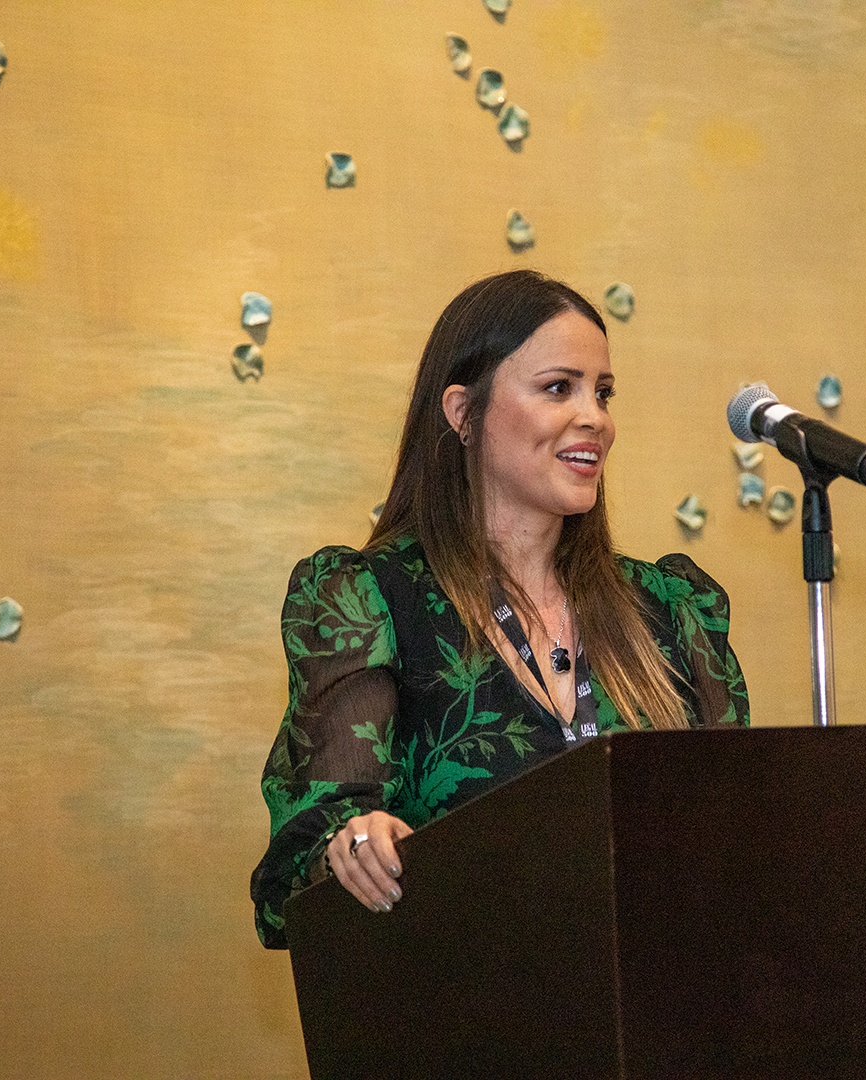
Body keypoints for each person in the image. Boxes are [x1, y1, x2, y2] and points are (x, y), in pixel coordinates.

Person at [250, 270, 750, 947]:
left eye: (602, 392)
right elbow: (303, 865)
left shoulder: (672, 608)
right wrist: (354, 845)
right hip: (465, 997)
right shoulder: (370, 599)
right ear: (463, 413)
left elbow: (740, 835)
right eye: (559, 388)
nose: (595, 418)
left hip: (662, 1000)